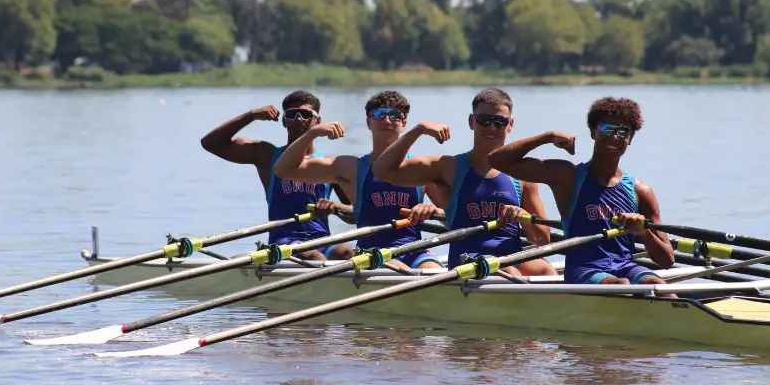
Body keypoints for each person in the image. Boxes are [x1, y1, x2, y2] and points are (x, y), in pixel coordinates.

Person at [487, 95, 674, 284]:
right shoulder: (567, 176)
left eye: (622, 131)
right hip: (584, 270)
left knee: (656, 284)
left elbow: (667, 260)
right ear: (593, 132)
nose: (614, 137)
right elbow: (496, 160)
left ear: (630, 137)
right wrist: (547, 137)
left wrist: (643, 232)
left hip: (626, 266)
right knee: (622, 284)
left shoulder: (640, 191)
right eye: (607, 129)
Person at [371, 88, 556, 276]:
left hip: (511, 258)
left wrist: (523, 216)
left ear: (511, 124)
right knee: (509, 271)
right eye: (484, 120)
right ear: (471, 121)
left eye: (499, 122)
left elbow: (542, 239)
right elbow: (382, 171)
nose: (492, 128)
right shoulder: (448, 168)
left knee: (545, 269)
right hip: (468, 261)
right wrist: (419, 130)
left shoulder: (521, 175)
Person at [272, 90, 446, 270]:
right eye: (379, 114)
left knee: (434, 272)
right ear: (369, 122)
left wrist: (435, 211)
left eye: (394, 115)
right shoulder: (351, 168)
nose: (387, 120)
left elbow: (454, 219)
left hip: (413, 250)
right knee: (402, 271)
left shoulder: (420, 169)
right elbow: (282, 169)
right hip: (372, 254)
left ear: (404, 124)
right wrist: (312, 133)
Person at [199, 90, 351, 261]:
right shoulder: (266, 156)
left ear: (318, 121)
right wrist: (251, 116)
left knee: (348, 252)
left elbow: (357, 214)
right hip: (284, 242)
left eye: (306, 114)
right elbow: (210, 143)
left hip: (322, 240)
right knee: (315, 258)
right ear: (284, 121)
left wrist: (336, 207)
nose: (299, 119)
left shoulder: (330, 164)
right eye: (292, 114)